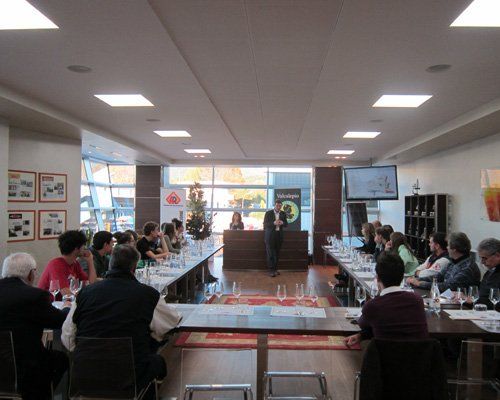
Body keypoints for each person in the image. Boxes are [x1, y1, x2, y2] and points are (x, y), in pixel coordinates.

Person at [61, 245, 181, 397]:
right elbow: (169, 323)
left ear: (110, 264)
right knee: (158, 362)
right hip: (129, 376)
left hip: (85, 376)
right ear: (134, 267)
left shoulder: (85, 294)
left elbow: (68, 337)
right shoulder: (147, 295)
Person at [0, 253, 70, 400]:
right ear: (31, 274)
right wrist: (66, 308)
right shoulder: (34, 296)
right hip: (26, 368)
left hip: (4, 366)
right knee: (61, 359)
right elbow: (58, 321)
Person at [344, 252, 428, 347]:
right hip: (417, 355)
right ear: (402, 278)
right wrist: (361, 336)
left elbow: (362, 325)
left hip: (385, 355)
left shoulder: (373, 306)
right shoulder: (417, 300)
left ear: (377, 278)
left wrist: (362, 335)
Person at [408, 232, 480, 292]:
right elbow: (439, 277)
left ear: (454, 249)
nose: (447, 248)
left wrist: (420, 283)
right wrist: (416, 280)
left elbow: (449, 287)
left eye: (448, 245)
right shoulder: (453, 262)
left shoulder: (467, 268)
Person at [38, 230, 97, 297]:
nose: (85, 248)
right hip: (49, 302)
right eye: (83, 245)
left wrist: (90, 261)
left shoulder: (75, 264)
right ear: (76, 248)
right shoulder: (56, 265)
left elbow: (91, 284)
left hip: (65, 302)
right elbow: (67, 295)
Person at [263, 199, 288, 277]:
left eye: (280, 205)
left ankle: (275, 269)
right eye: (277, 205)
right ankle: (271, 270)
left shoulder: (283, 213)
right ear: (274, 205)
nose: (278, 207)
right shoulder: (268, 213)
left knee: (277, 254)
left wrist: (282, 222)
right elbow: (265, 224)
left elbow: (286, 224)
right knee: (270, 254)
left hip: (279, 236)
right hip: (270, 236)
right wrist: (274, 223)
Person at [476, 238, 500, 309]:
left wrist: (474, 300)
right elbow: (482, 295)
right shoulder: (489, 272)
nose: (482, 262)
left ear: (497, 255)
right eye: (481, 258)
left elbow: (496, 303)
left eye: (485, 258)